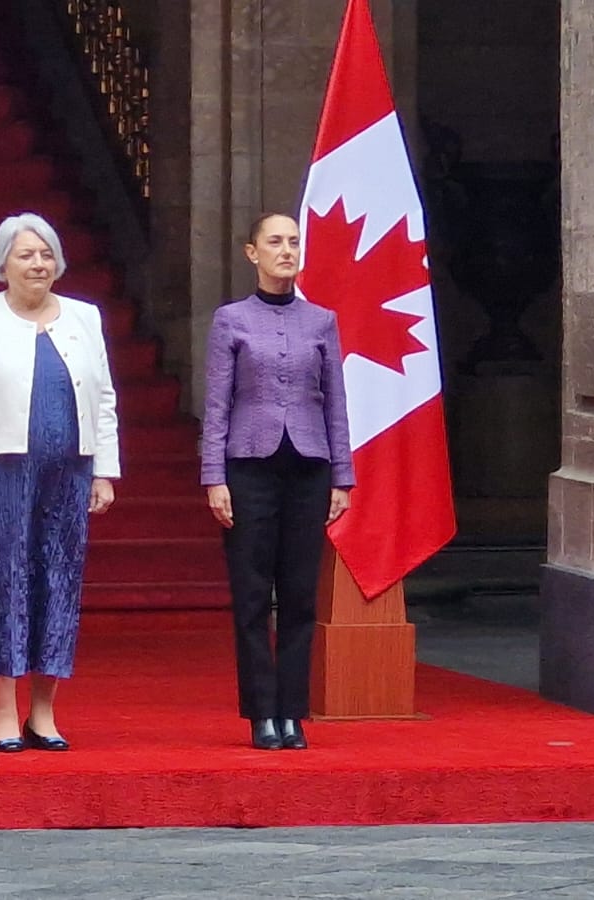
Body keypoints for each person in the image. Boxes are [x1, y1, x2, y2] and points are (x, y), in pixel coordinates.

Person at [0, 213, 120, 753]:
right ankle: (4, 713)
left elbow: (104, 398)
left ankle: (43, 712)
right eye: (26, 255)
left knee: (58, 582)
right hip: (0, 472)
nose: (38, 264)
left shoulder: (85, 316)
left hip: (69, 471)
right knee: (4, 582)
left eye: (46, 255)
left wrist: (105, 471)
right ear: (3, 264)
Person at [200, 212, 354, 751]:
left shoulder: (321, 321)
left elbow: (336, 402)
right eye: (275, 242)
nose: (286, 250)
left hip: (309, 465)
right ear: (253, 253)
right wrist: (213, 476)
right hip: (249, 466)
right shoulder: (231, 320)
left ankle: (293, 711)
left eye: (293, 242)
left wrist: (343, 476)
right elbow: (217, 403)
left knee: (299, 594)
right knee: (251, 594)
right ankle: (260, 712)